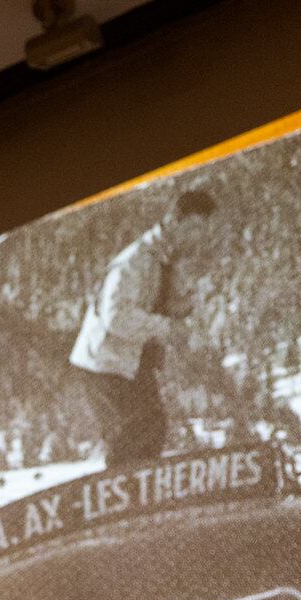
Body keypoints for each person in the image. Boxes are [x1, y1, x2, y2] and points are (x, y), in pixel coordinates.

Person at [70, 188, 218, 468]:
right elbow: (116, 316)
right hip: (103, 364)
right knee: (132, 432)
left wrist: (184, 302)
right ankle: (122, 497)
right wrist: (166, 327)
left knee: (152, 426)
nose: (198, 237)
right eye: (195, 228)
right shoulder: (134, 262)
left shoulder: (166, 260)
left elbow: (158, 305)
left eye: (204, 230)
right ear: (175, 221)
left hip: (131, 363)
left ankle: (138, 495)